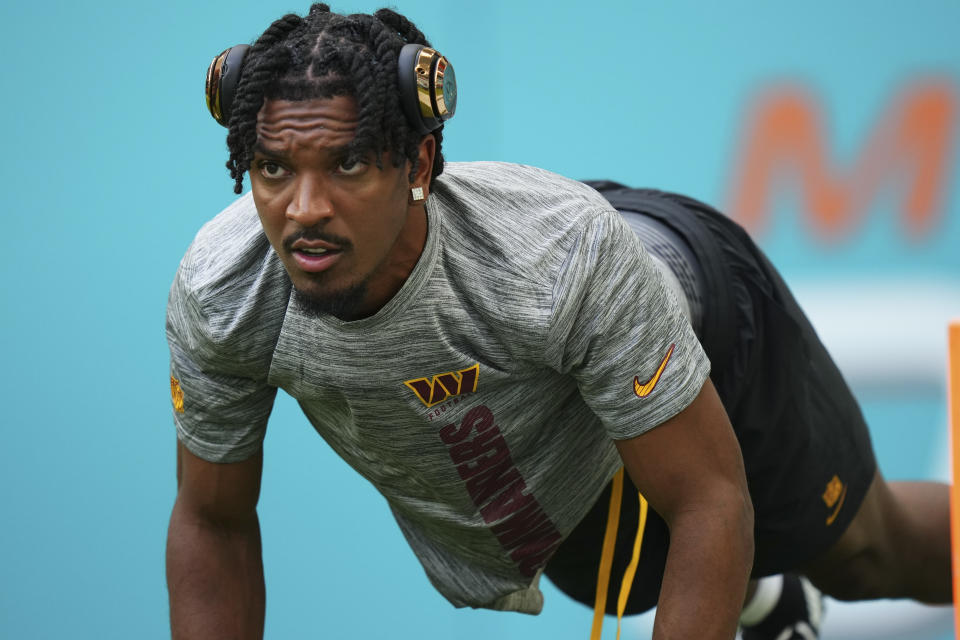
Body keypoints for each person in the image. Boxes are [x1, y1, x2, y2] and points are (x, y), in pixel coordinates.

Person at [165, 5, 951, 640]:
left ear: (419, 166)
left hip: (703, 314)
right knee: (603, 562)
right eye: (273, 168)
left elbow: (711, 502)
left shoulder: (557, 262)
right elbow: (214, 521)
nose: (303, 209)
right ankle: (758, 595)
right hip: (553, 425)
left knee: (867, 557)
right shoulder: (225, 291)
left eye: (346, 166)